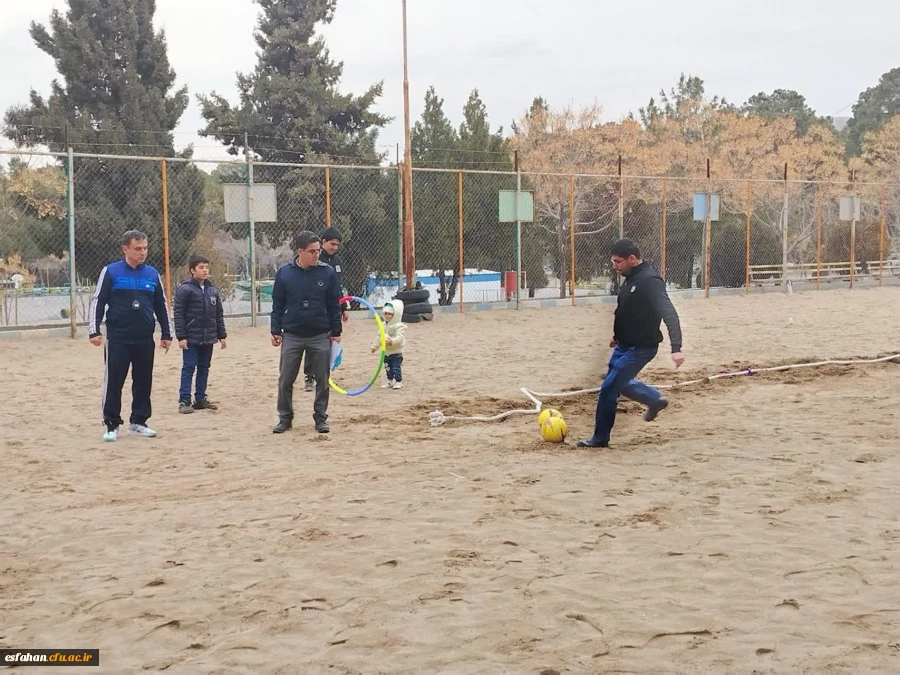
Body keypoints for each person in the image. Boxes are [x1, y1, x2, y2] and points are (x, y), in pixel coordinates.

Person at [577, 238, 685, 449]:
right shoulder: (630, 279)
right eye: (613, 261)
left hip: (641, 348)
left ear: (632, 259)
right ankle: (654, 399)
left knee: (609, 388)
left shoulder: (650, 281)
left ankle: (600, 438)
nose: (614, 266)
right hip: (623, 346)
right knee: (620, 382)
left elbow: (669, 314)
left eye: (618, 262)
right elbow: (626, 310)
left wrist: (676, 348)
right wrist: (617, 336)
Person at [89, 230, 172, 442]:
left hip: (144, 337)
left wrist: (167, 332)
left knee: (143, 380)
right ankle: (111, 424)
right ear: (125, 249)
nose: (142, 252)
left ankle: (139, 422)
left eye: (145, 248)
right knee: (114, 381)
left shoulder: (152, 274)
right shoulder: (111, 271)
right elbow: (98, 301)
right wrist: (94, 330)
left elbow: (160, 304)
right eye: (137, 249)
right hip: (118, 337)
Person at [270, 231, 343, 434]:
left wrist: (336, 331)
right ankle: (285, 418)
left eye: (318, 251)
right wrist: (275, 329)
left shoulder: (327, 272)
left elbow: (334, 304)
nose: (316, 255)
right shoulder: (285, 273)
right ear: (299, 251)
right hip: (292, 334)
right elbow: (277, 304)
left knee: (322, 380)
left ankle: (320, 418)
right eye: (311, 251)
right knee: (285, 379)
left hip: (320, 334)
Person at [174, 254, 228, 414]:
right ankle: (184, 400)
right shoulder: (185, 290)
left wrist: (221, 335)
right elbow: (179, 314)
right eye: (201, 267)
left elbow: (218, 314)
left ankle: (200, 399)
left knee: (204, 367)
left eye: (206, 267)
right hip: (191, 338)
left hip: (208, 337)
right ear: (192, 270)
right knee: (189, 367)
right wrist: (181, 337)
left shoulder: (212, 290)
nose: (205, 270)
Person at [303, 226, 350, 391]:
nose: (334, 247)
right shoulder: (315, 259)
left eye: (337, 245)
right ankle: (309, 376)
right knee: (312, 341)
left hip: (332, 308)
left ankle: (324, 375)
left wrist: (343, 307)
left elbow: (337, 287)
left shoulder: (337, 262)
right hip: (316, 308)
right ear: (323, 242)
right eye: (332, 244)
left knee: (331, 342)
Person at [371, 299, 406, 389]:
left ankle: (398, 381)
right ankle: (390, 381)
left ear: (396, 314)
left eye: (390, 314)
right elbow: (379, 337)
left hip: (396, 352)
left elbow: (400, 338)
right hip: (386, 352)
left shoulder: (400, 326)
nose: (387, 315)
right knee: (388, 367)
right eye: (385, 313)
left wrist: (392, 342)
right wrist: (375, 346)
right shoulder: (383, 325)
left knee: (396, 367)